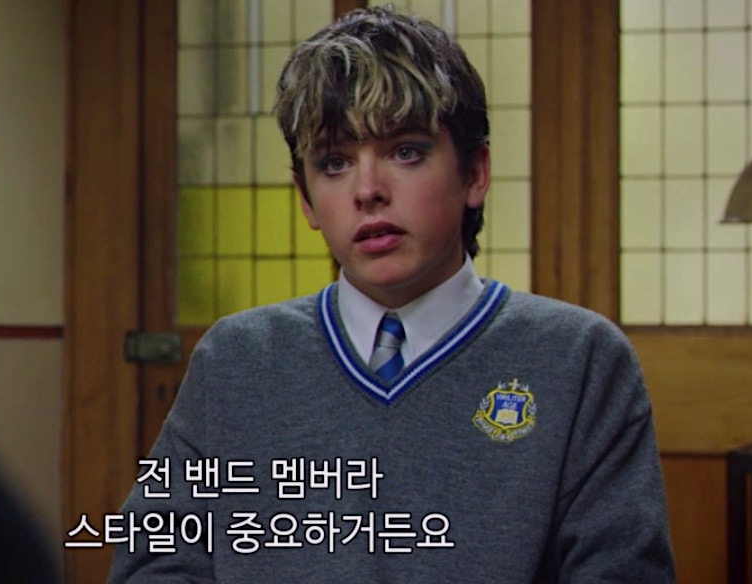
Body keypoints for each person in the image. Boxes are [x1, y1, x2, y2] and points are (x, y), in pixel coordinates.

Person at [108, 6, 674, 582]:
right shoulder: (236, 361)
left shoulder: (578, 360)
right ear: (305, 199)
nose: (368, 190)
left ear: (475, 173)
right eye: (334, 163)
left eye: (406, 152)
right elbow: (153, 565)